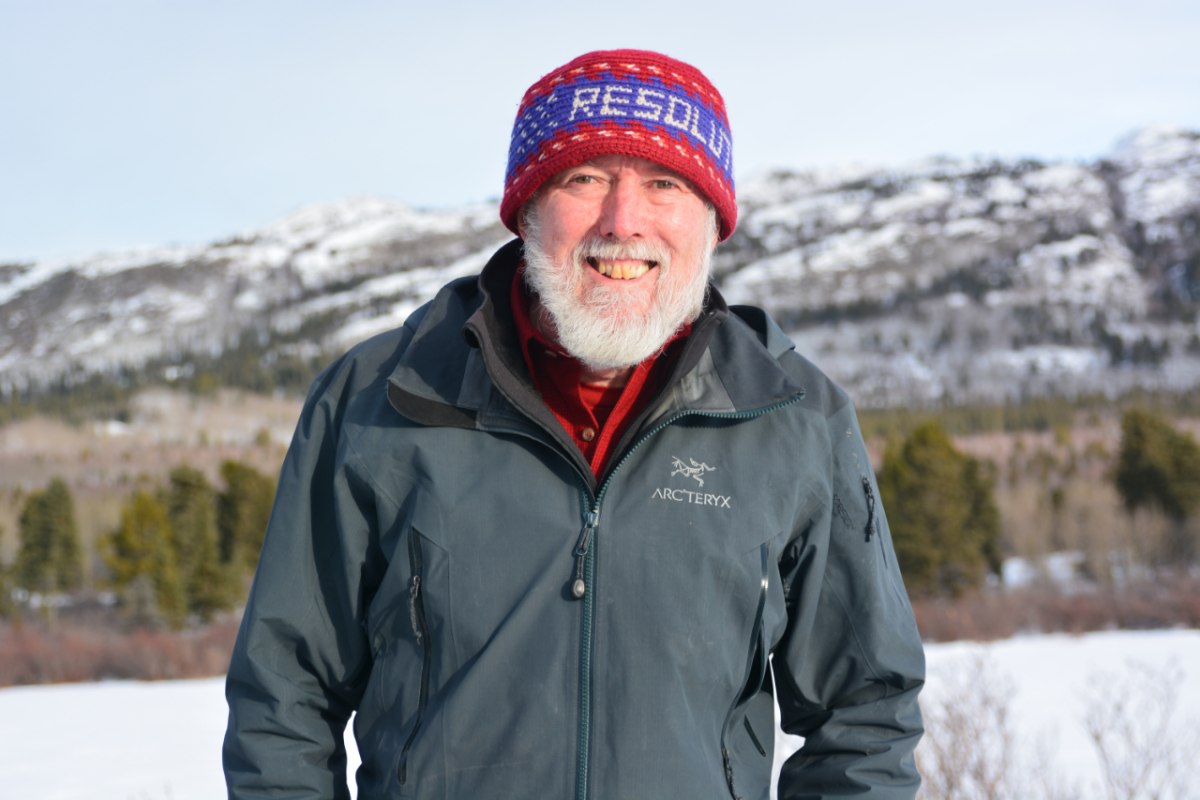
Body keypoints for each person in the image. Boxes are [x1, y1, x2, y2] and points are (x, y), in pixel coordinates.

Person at [223, 48, 925, 800]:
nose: (624, 223)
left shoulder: (793, 419)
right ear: (528, 209)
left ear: (712, 222)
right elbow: (284, 701)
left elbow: (866, 715)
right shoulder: (377, 400)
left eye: (664, 184)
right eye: (584, 179)